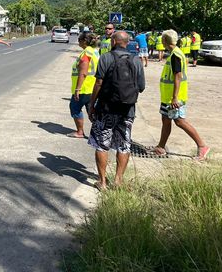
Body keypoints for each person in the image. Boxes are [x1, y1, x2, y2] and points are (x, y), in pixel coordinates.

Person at [88, 31, 145, 190]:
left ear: (113, 41)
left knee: (102, 145)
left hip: (106, 109)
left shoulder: (105, 57)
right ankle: (118, 181)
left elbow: (98, 83)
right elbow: (141, 87)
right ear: (128, 43)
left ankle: (103, 182)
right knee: (124, 145)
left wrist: (92, 104)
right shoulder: (136, 60)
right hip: (127, 110)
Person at [152, 30, 210, 161]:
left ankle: (202, 146)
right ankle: (161, 147)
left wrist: (175, 97)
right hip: (167, 98)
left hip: (174, 98)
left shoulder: (175, 55)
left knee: (180, 121)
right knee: (166, 121)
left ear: (165, 41)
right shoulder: (174, 53)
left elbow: (177, 77)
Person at [68, 32, 100, 138]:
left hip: (84, 88)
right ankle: (98, 132)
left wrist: (78, 89)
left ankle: (80, 132)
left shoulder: (86, 53)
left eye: (79, 40)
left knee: (75, 108)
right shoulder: (94, 51)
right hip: (92, 87)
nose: (78, 42)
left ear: (84, 41)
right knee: (91, 110)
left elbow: (83, 72)